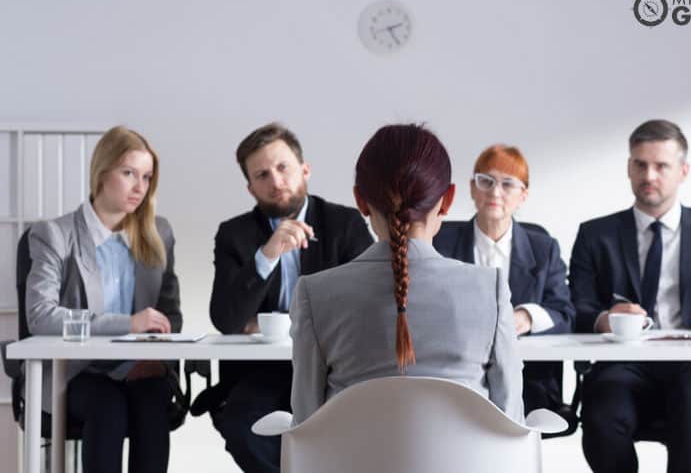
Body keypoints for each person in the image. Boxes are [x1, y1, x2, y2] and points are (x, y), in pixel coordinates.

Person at [569, 119, 691, 473]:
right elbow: (576, 308)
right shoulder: (595, 234)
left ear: (683, 171)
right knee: (602, 411)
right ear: (629, 168)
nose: (650, 175)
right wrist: (608, 318)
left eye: (661, 166)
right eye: (640, 164)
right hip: (623, 364)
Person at [290, 123, 524, 425]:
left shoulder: (315, 294)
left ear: (360, 200)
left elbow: (306, 426)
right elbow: (511, 423)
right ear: (448, 200)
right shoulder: (488, 290)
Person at [208, 122, 373, 472]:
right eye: (262, 175)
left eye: (283, 167)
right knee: (242, 429)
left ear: (304, 169)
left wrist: (261, 323)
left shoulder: (345, 224)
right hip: (261, 373)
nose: (276, 181)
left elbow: (369, 303)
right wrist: (267, 255)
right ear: (250, 187)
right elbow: (226, 320)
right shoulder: (234, 234)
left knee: (352, 433)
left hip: (334, 369)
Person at [25, 126, 181, 473]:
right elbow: (40, 315)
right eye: (128, 173)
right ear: (101, 172)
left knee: (153, 401)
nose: (139, 187)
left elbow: (170, 313)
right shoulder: (55, 234)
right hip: (77, 371)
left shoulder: (159, 234)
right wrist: (129, 324)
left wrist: (158, 356)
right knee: (108, 408)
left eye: (147, 177)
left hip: (139, 367)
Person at [433, 144, 574, 414]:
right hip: (456, 376)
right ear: (472, 188)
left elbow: (565, 314)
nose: (495, 192)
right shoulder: (441, 241)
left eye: (508, 184)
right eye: (485, 181)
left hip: (529, 380)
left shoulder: (544, 249)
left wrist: (526, 318)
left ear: (524, 194)